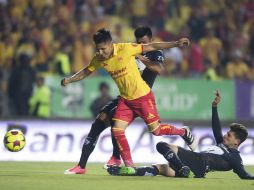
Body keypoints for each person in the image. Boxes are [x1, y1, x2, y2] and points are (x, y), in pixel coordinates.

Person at [61, 28, 194, 174]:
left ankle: (183, 131)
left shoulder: (126, 48)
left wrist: (176, 43)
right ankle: (129, 165)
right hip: (125, 100)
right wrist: (69, 80)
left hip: (143, 97)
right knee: (117, 130)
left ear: (110, 44)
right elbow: (87, 71)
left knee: (156, 131)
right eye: (98, 49)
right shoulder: (99, 58)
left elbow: (153, 46)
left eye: (103, 49)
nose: (100, 53)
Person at [107, 91, 254, 179]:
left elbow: (243, 174)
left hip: (198, 161)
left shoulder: (235, 157)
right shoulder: (222, 144)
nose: (225, 136)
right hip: (197, 171)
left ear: (237, 142)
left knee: (161, 145)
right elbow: (216, 128)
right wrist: (214, 107)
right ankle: (133, 172)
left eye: (229, 135)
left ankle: (183, 168)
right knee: (160, 168)